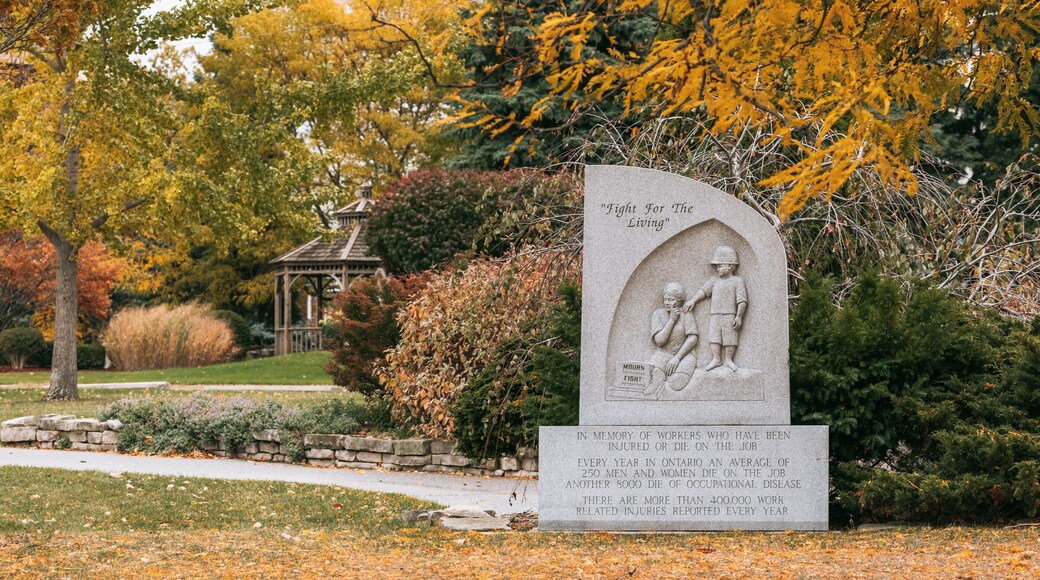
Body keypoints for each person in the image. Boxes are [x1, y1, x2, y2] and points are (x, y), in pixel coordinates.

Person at [684, 246, 747, 371]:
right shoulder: (714, 281)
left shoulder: (737, 281)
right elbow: (703, 291)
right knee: (714, 338)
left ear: (730, 266)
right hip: (715, 315)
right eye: (716, 265)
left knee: (730, 338)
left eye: (720, 265)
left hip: (729, 314)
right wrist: (693, 301)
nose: (717, 268)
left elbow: (742, 301)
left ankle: (728, 359)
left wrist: (739, 316)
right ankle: (716, 359)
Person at [645, 282, 698, 394]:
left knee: (676, 383)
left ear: (679, 301)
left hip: (684, 355)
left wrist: (677, 358)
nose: (667, 303)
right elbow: (659, 341)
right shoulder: (658, 314)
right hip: (663, 353)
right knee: (651, 376)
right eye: (666, 299)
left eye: (671, 300)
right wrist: (672, 320)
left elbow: (692, 338)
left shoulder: (686, 314)